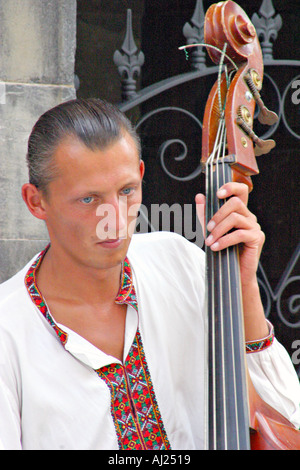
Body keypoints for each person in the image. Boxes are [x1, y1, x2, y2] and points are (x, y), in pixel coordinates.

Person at [0, 98, 299, 450]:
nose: (114, 217)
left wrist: (243, 285)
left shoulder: (181, 263)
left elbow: (283, 419)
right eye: (89, 200)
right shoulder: (9, 330)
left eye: (126, 191)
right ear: (36, 201)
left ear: (141, 175)